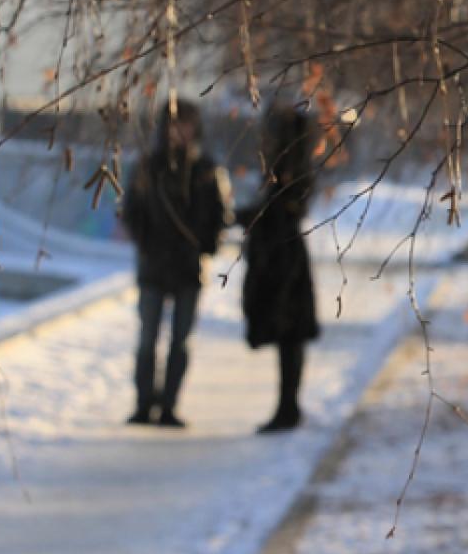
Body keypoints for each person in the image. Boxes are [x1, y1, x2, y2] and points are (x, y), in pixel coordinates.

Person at [121, 100, 226, 428]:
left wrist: (201, 246)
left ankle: (168, 405)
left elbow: (219, 216)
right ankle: (143, 404)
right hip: (153, 265)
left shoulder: (206, 169)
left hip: (188, 268)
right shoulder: (147, 167)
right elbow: (131, 211)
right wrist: (148, 244)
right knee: (147, 337)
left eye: (186, 124)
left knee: (180, 340)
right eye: (174, 123)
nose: (179, 131)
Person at [237, 104, 320, 433]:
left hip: (284, 262)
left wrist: (254, 218)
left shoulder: (291, 168)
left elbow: (284, 211)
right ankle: (287, 407)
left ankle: (288, 408)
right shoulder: (286, 167)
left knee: (290, 335)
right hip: (281, 258)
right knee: (288, 337)